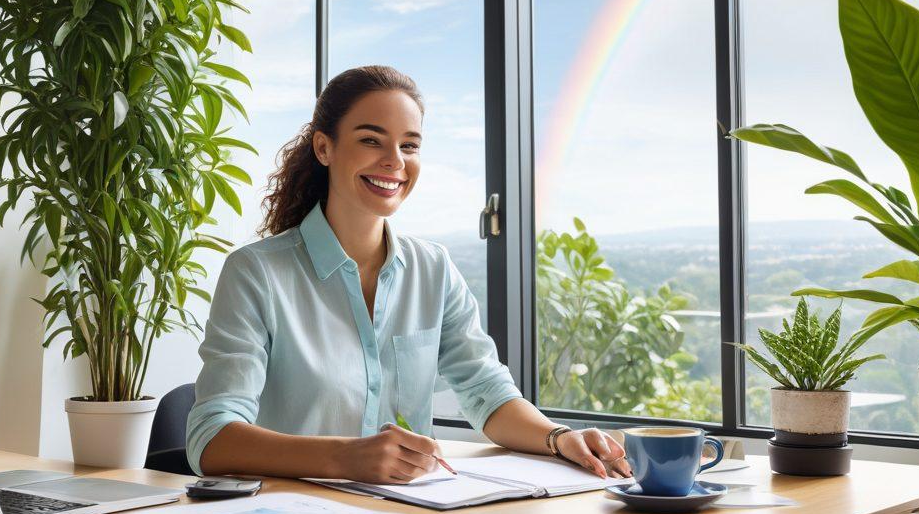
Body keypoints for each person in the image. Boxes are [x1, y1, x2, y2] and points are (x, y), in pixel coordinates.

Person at [186, 65, 632, 483]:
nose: (394, 160)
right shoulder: (256, 273)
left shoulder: (433, 269)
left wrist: (558, 438)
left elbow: (487, 393)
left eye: (410, 145)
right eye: (371, 140)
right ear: (324, 148)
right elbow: (211, 438)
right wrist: (345, 458)